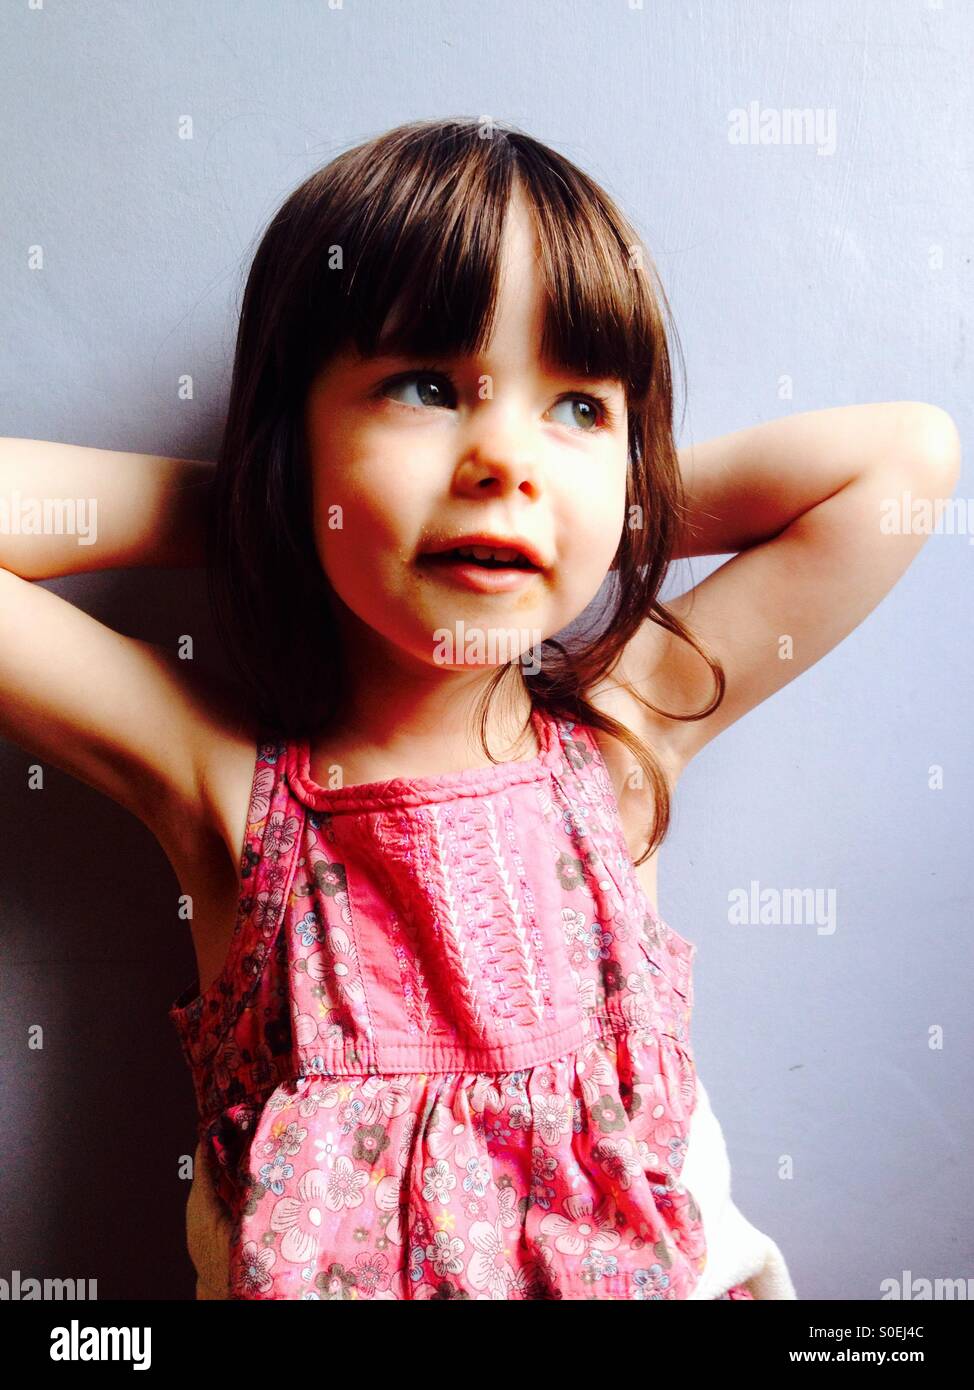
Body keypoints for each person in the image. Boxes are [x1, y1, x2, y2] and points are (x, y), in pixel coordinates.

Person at [0, 118, 959, 1300]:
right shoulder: (219, 776)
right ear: (292, 444)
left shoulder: (621, 737)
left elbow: (906, 461)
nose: (506, 460)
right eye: (425, 388)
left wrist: (589, 517)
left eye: (577, 409)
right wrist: (267, 504)